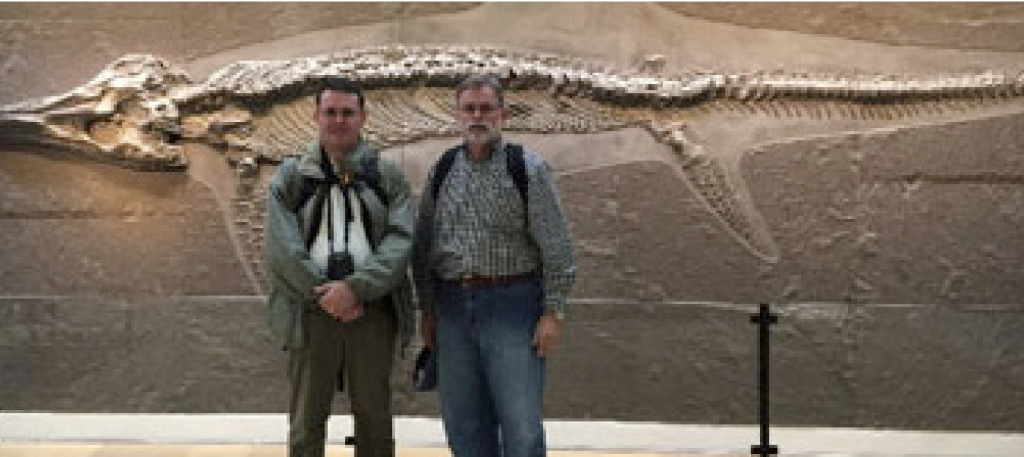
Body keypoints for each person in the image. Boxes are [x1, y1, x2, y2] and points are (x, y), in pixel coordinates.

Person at [412, 75, 577, 456]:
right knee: (464, 424)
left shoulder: (528, 169)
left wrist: (554, 312)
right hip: (452, 309)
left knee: (520, 427)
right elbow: (425, 245)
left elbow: (558, 247)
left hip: (513, 306)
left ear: (502, 113)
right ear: (457, 115)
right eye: (469, 108)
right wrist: (428, 308)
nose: (477, 116)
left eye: (486, 108)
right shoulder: (443, 170)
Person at [264, 77, 415, 457]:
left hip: (372, 311)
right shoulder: (291, 177)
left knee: (376, 420)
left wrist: (356, 289)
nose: (338, 120)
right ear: (316, 116)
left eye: (348, 113)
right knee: (306, 421)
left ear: (363, 117)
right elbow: (281, 248)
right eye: (330, 112)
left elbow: (400, 241)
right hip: (310, 311)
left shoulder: (387, 176)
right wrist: (326, 293)